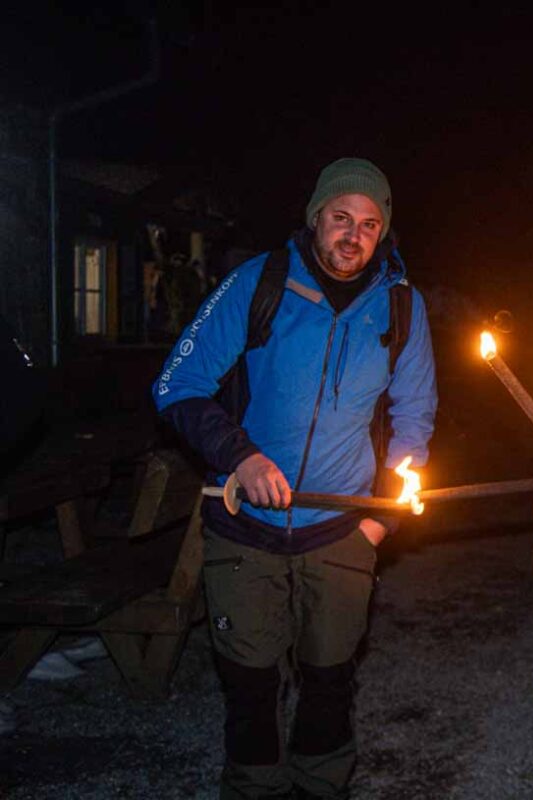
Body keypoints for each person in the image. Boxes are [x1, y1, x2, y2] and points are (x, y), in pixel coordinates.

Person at [152, 157, 436, 798]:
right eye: (341, 217)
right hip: (244, 525)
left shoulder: (401, 306)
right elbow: (177, 384)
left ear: (382, 232)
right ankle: (253, 789)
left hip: (341, 529)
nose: (353, 235)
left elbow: (415, 416)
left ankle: (321, 787)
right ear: (315, 218)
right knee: (251, 683)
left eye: (369, 224)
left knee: (331, 677)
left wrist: (378, 519)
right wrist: (240, 456)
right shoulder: (259, 283)